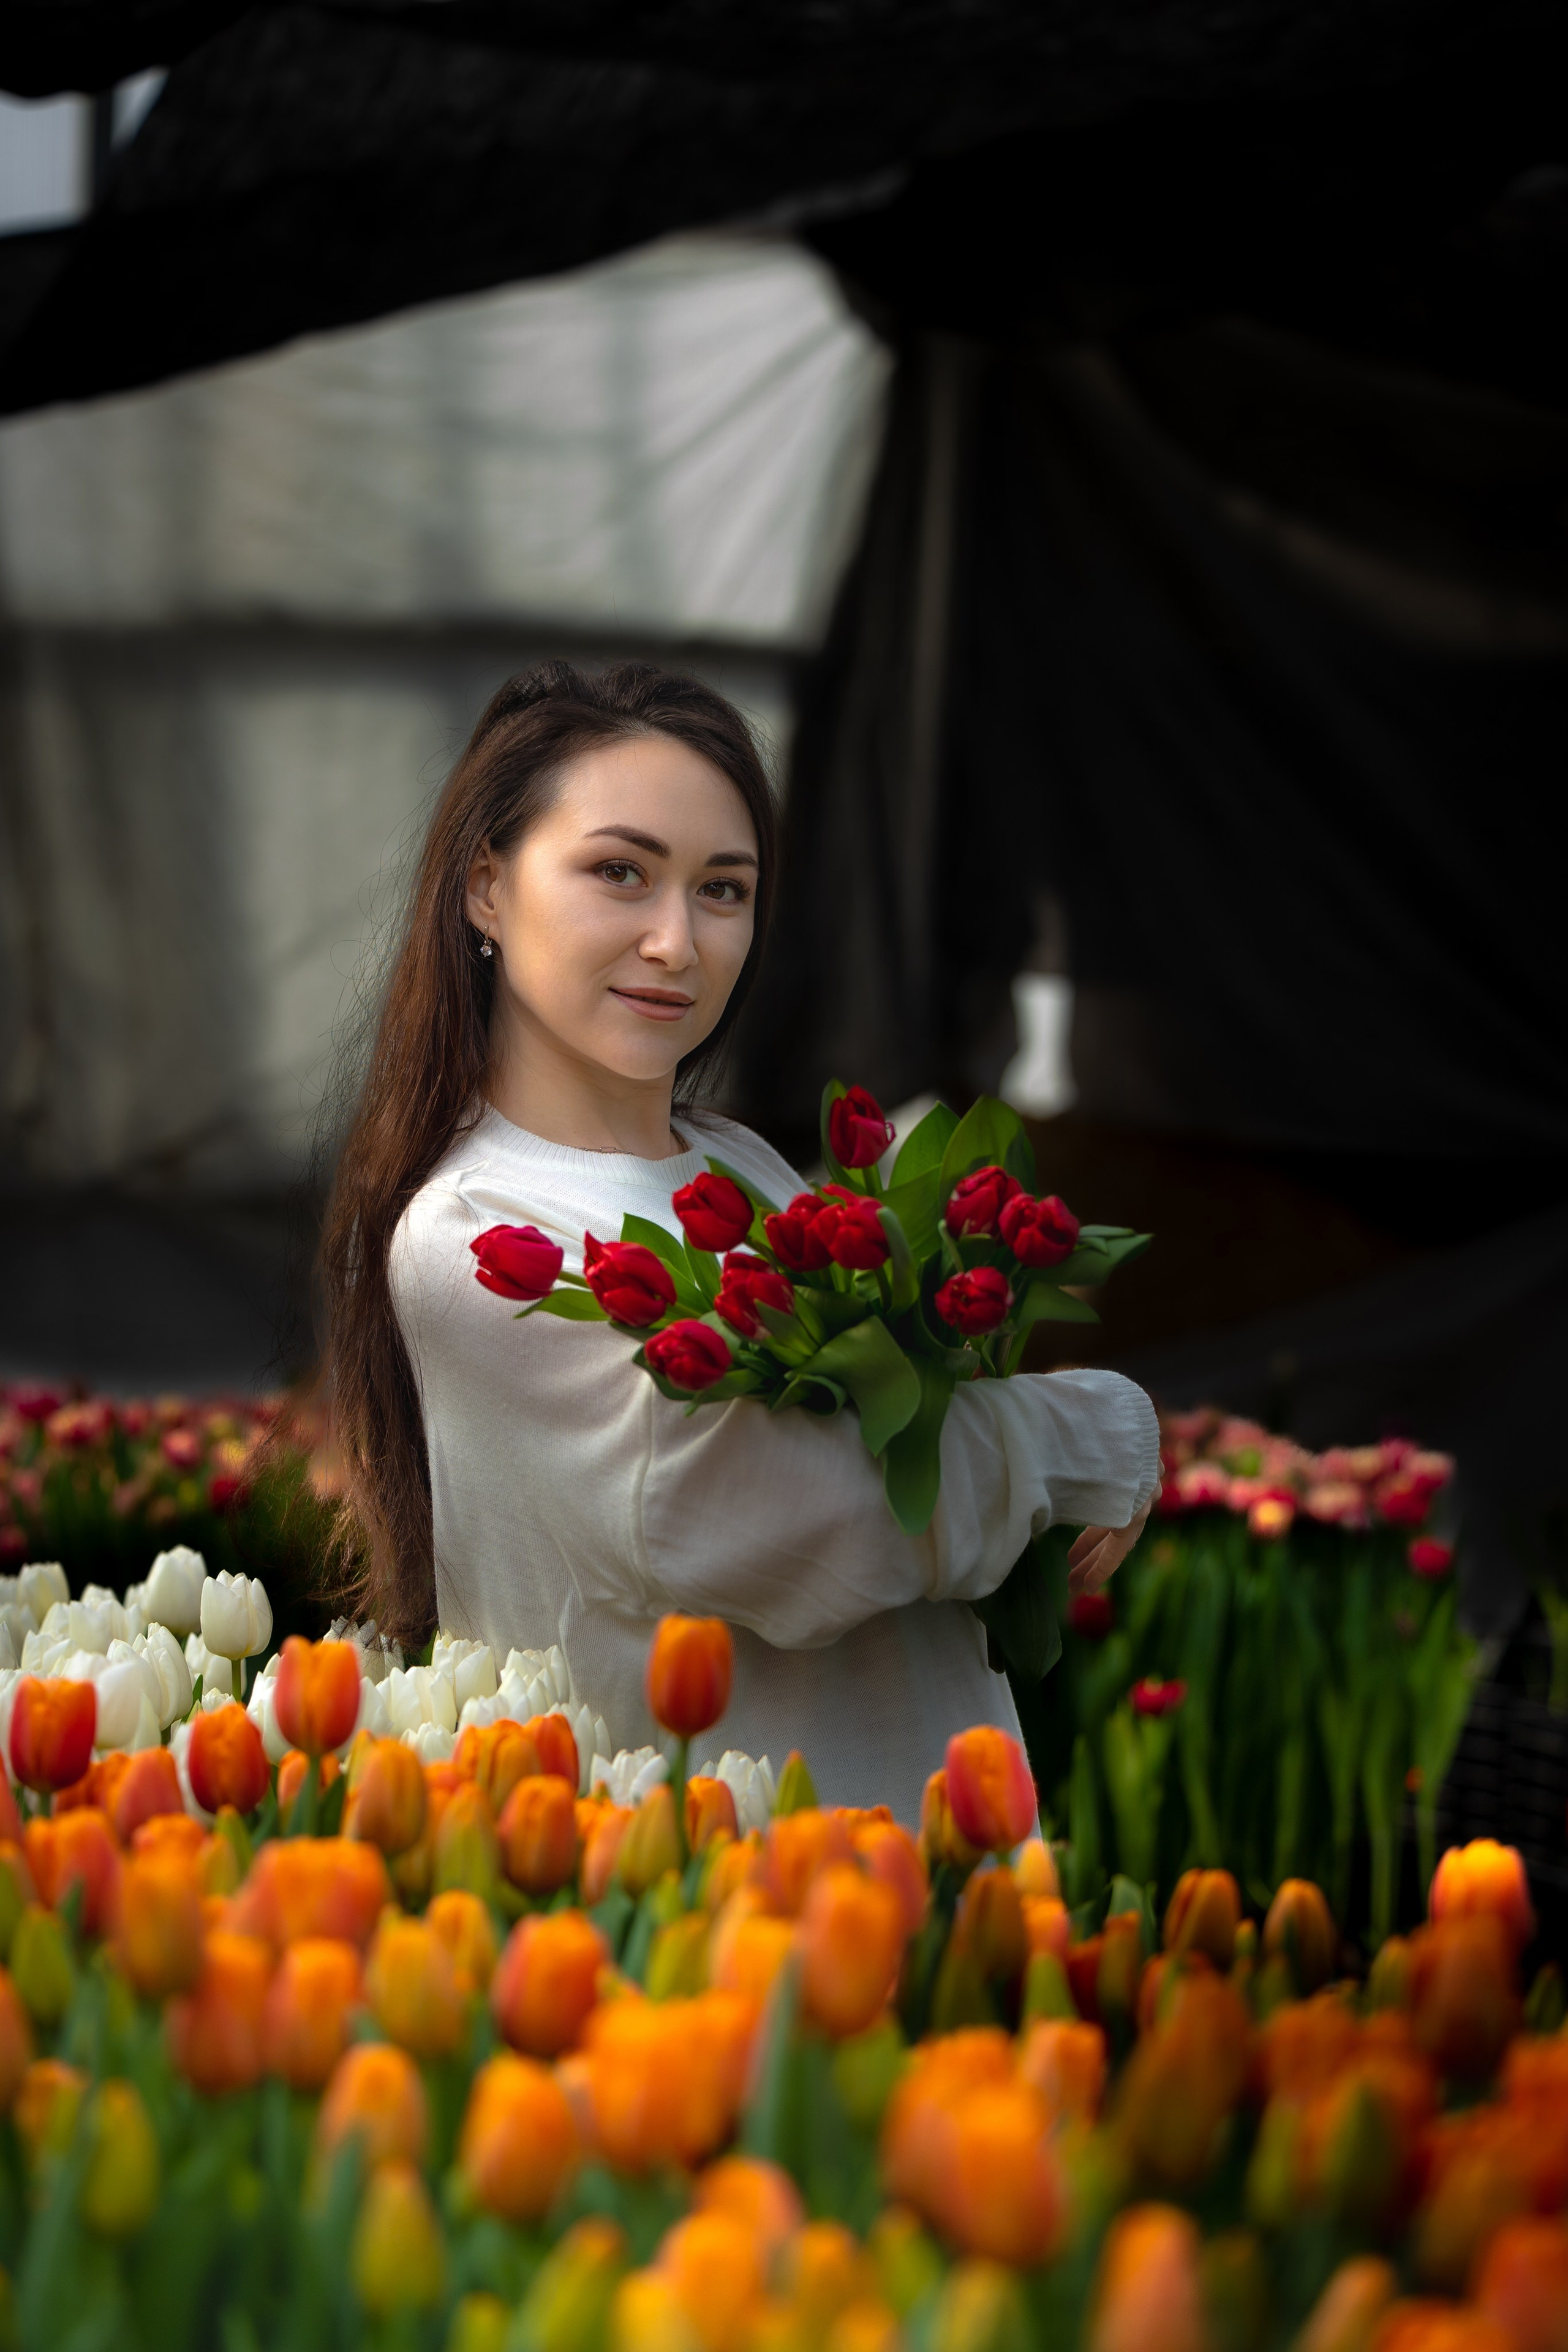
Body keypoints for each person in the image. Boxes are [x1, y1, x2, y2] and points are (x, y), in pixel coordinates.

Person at [321, 660, 1159, 1820]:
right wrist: (1089, 1432)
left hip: (926, 1864)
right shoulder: (478, 1230)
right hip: (726, 1914)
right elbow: (801, 1514)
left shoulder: (740, 1168)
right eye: (620, 872)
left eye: (724, 889)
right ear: (484, 890)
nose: (678, 941)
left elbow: (900, 1444)